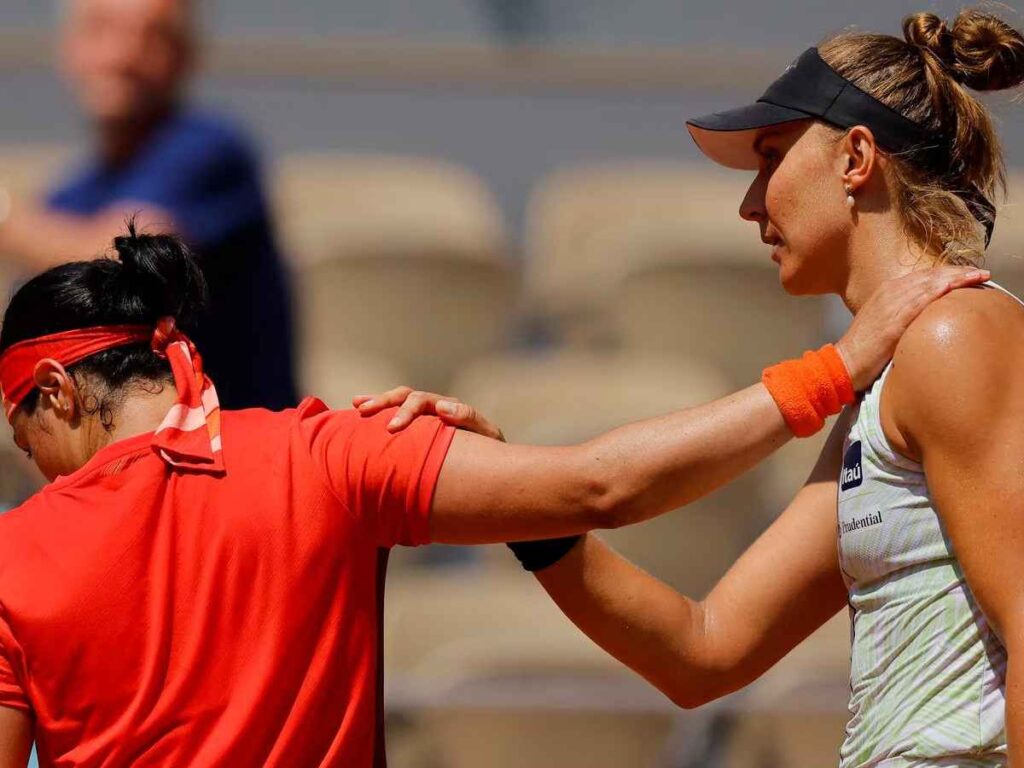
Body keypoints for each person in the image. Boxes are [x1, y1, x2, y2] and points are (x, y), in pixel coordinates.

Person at [0, 218, 981, 766]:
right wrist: (838, 365)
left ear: (53, 391)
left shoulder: (12, 558)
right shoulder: (328, 453)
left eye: (22, 431)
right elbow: (603, 483)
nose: (32, 461)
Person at [368, 8, 1024, 767]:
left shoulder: (954, 336)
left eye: (771, 156)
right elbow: (702, 651)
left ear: (855, 157)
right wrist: (521, 500)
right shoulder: (890, 384)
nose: (750, 204)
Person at [0, 0, 296, 411]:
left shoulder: (211, 151)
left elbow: (124, 261)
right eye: (101, 30)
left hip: (234, 457)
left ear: (186, 55)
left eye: (152, 36)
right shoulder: (69, 196)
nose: (123, 55)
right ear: (68, 47)